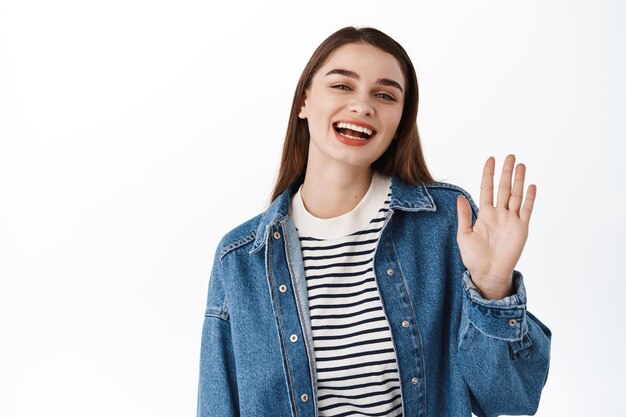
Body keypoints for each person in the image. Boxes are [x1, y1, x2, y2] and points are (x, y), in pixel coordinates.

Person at [196, 26, 551, 417]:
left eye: (384, 95)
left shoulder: (446, 225)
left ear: (400, 121)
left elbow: (512, 398)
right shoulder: (242, 259)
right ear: (304, 101)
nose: (363, 106)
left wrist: (493, 288)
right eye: (343, 86)